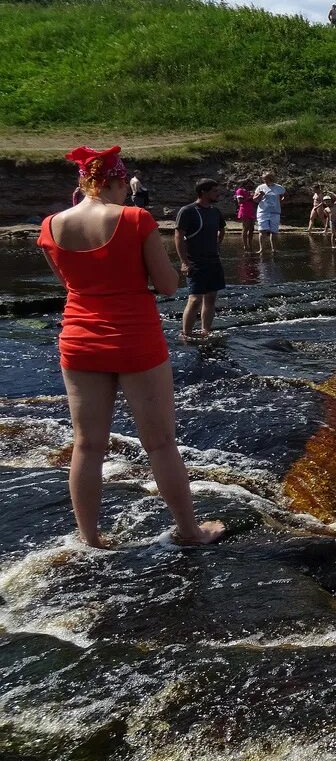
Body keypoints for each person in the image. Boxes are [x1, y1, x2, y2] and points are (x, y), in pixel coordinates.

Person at [37, 146, 226, 548]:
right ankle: (190, 532)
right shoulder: (134, 218)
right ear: (117, 181)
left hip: (79, 339)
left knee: (87, 445)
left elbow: (68, 285)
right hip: (135, 337)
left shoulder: (51, 225)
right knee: (159, 442)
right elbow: (169, 285)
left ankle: (89, 537)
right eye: (125, 186)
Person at [174, 179, 226, 342]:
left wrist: (217, 246)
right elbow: (178, 236)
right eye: (215, 191)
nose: (218, 194)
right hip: (195, 262)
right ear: (203, 192)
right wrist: (184, 261)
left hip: (213, 261)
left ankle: (205, 331)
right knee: (195, 299)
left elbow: (222, 229)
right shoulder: (188, 211)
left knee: (210, 298)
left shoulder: (215, 212)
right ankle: (186, 334)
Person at [252, 171, 285, 252]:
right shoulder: (260, 187)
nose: (265, 180)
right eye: (264, 179)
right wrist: (260, 195)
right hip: (263, 212)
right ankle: (262, 249)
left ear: (271, 178)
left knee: (274, 231)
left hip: (275, 212)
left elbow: (285, 196)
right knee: (262, 230)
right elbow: (255, 200)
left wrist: (281, 201)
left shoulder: (279, 188)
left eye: (266, 179)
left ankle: (274, 249)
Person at [234, 180, 255, 250]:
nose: (250, 186)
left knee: (252, 229)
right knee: (245, 228)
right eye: (248, 185)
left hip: (251, 211)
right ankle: (245, 245)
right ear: (244, 184)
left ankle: (250, 244)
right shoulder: (240, 190)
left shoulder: (249, 192)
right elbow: (240, 202)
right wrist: (249, 198)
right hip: (244, 211)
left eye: (251, 185)